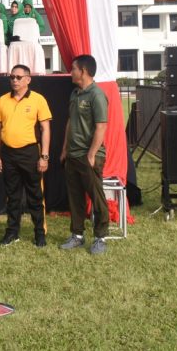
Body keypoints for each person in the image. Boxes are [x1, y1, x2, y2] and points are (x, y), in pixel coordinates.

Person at [0, 64, 51, 248]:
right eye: (12, 77)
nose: (14, 80)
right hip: (8, 153)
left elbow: (45, 129)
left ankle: (39, 233)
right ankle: (12, 232)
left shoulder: (38, 99)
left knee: (35, 195)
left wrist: (44, 156)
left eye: (18, 77)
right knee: (12, 196)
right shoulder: (3, 100)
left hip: (30, 152)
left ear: (28, 79)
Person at [60, 54, 110, 255]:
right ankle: (77, 235)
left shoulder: (97, 95)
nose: (70, 72)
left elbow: (101, 126)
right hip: (72, 155)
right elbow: (70, 121)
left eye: (73, 69)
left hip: (89, 156)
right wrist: (65, 149)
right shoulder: (75, 93)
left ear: (84, 71)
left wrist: (91, 154)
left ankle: (100, 237)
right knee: (75, 197)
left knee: (97, 197)